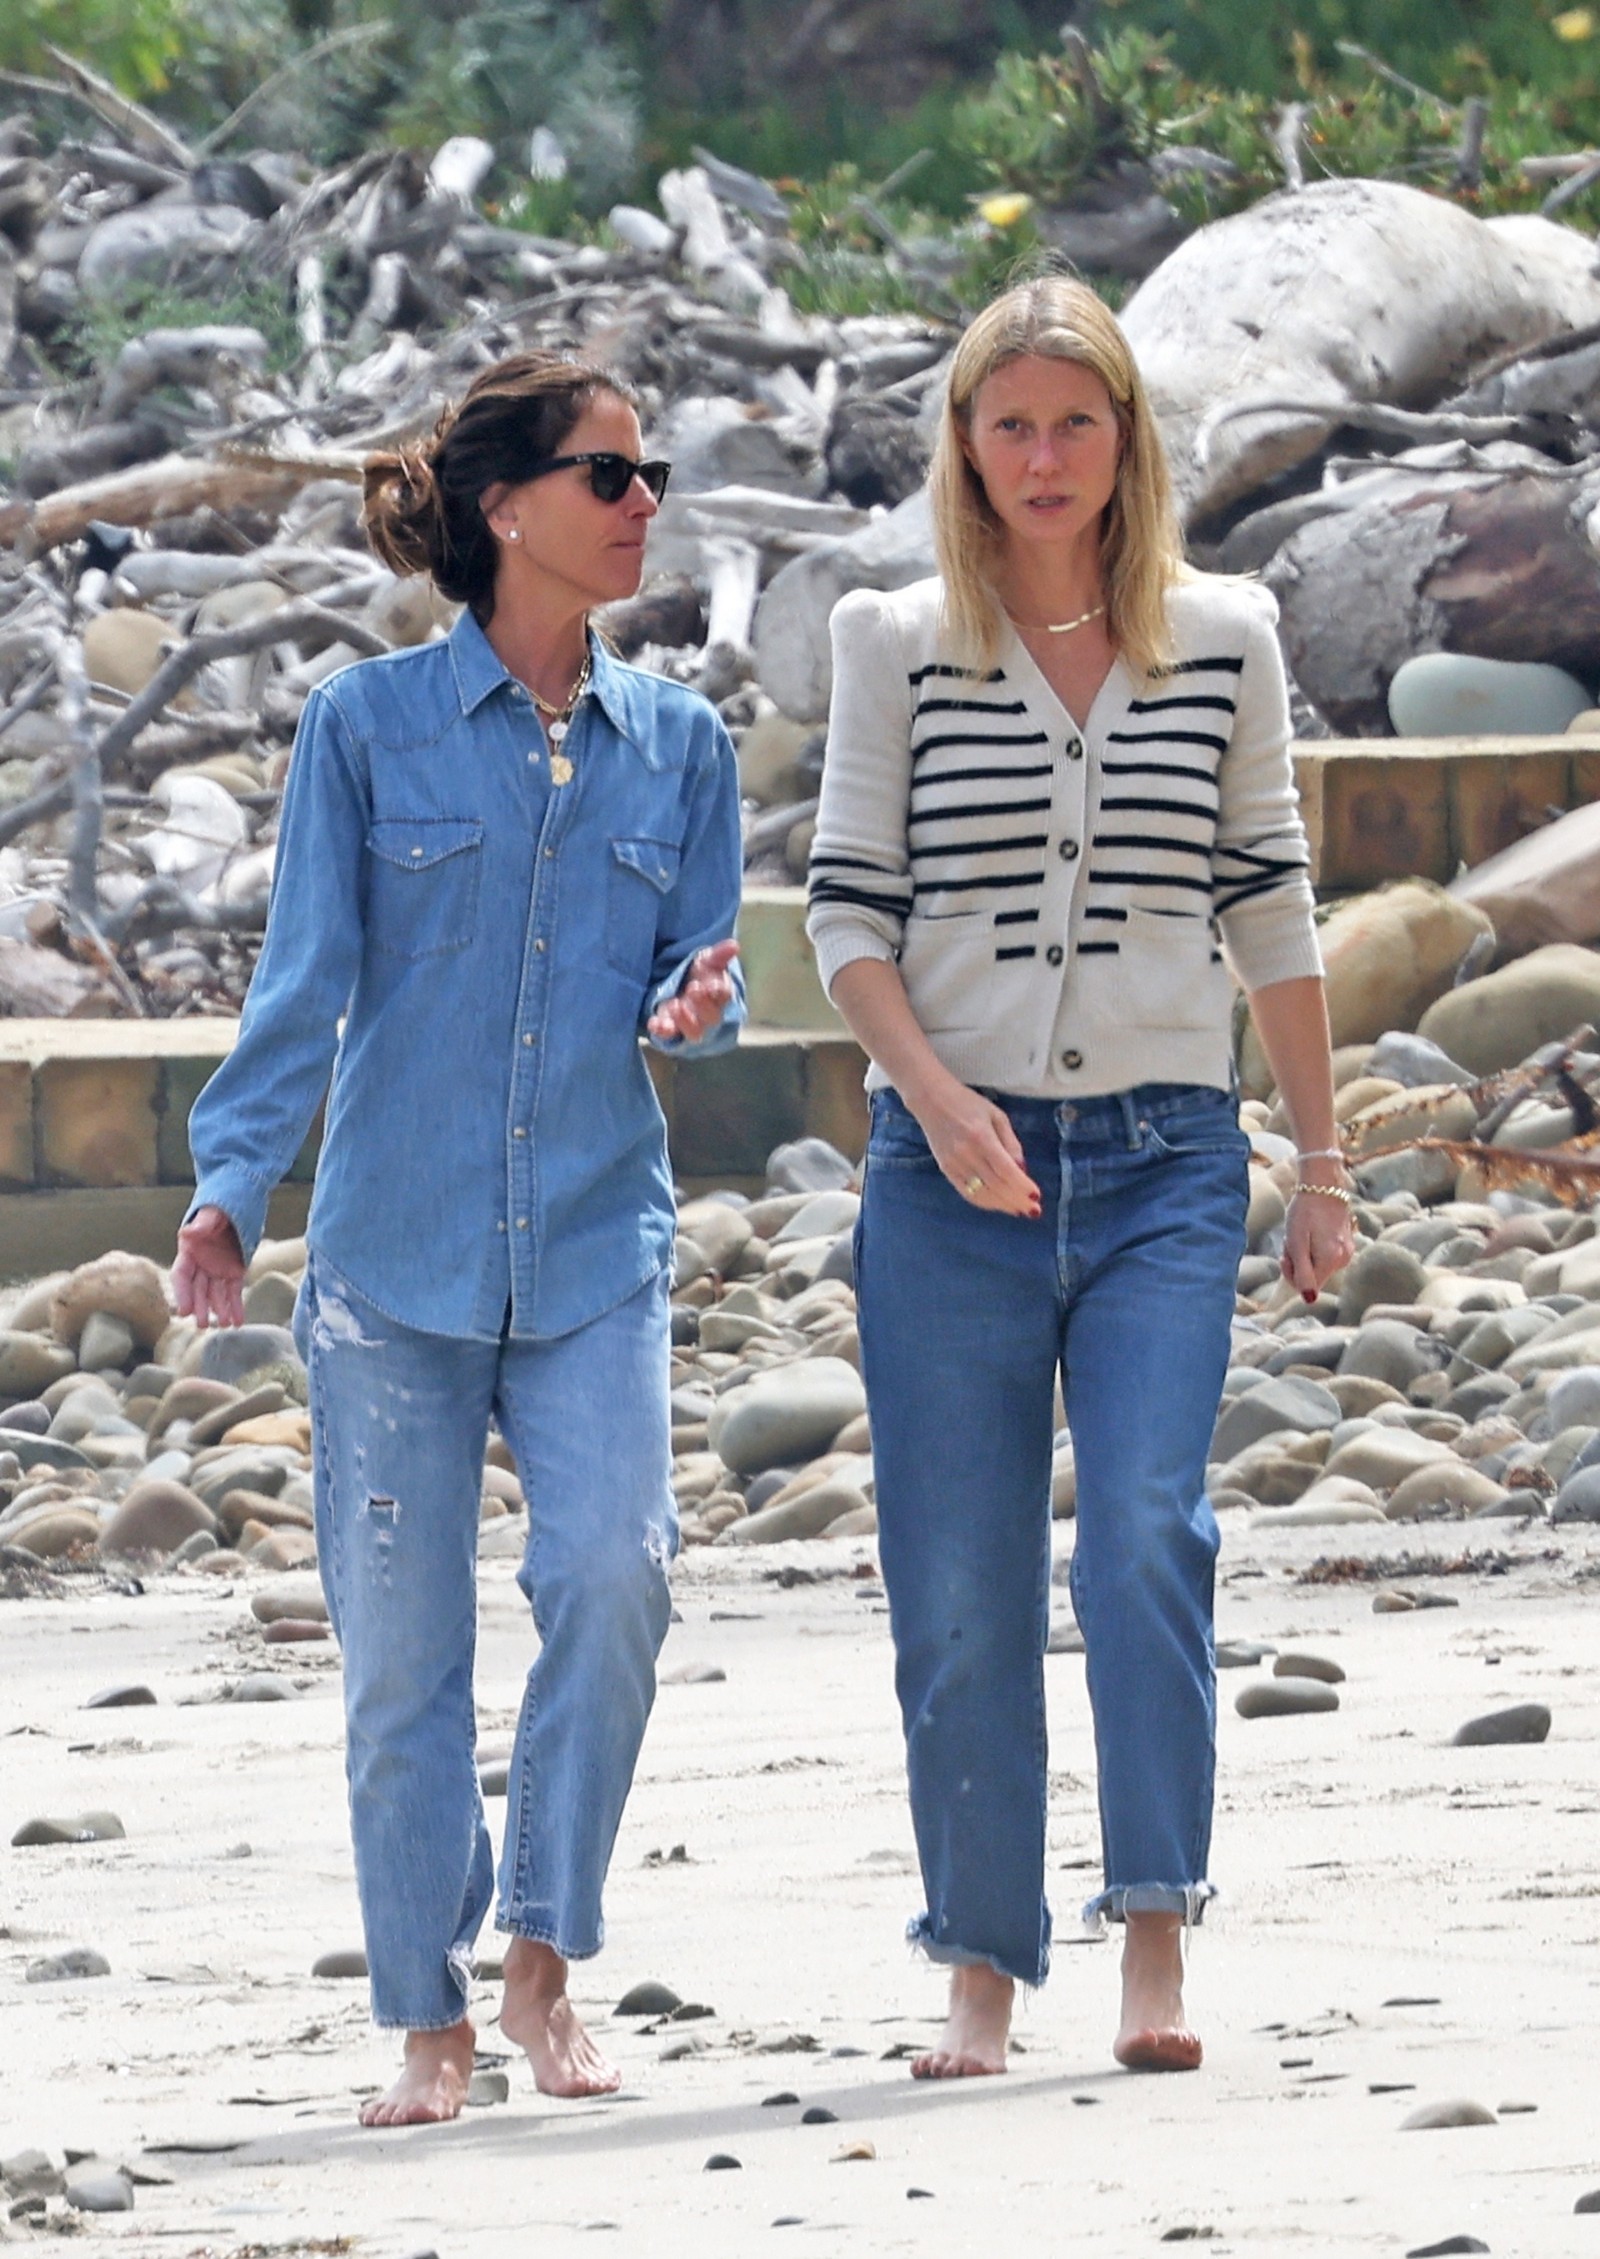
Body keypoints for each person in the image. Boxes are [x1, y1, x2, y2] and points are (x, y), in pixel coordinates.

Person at [172, 351, 744, 2126]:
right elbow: (303, 982)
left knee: (617, 1575)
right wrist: (229, 1183)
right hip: (393, 1265)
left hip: (593, 1249)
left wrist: (696, 1011)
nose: (642, 505)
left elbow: (704, 974)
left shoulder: (685, 747)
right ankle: (425, 2018)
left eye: (649, 476)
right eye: (607, 477)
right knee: (403, 1661)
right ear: (505, 508)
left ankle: (544, 1968)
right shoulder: (365, 727)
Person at [806, 276, 1355, 2080]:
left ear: (1129, 440)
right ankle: (979, 1967)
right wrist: (937, 1099)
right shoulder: (893, 639)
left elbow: (1271, 901)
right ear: (966, 446)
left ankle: (1154, 1942)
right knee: (959, 1585)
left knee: (1143, 1537)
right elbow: (845, 914)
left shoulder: (1227, 636)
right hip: (943, 1179)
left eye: (1077, 422)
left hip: (1165, 1163)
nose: (1044, 457)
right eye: (1011, 425)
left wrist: (1324, 1161)